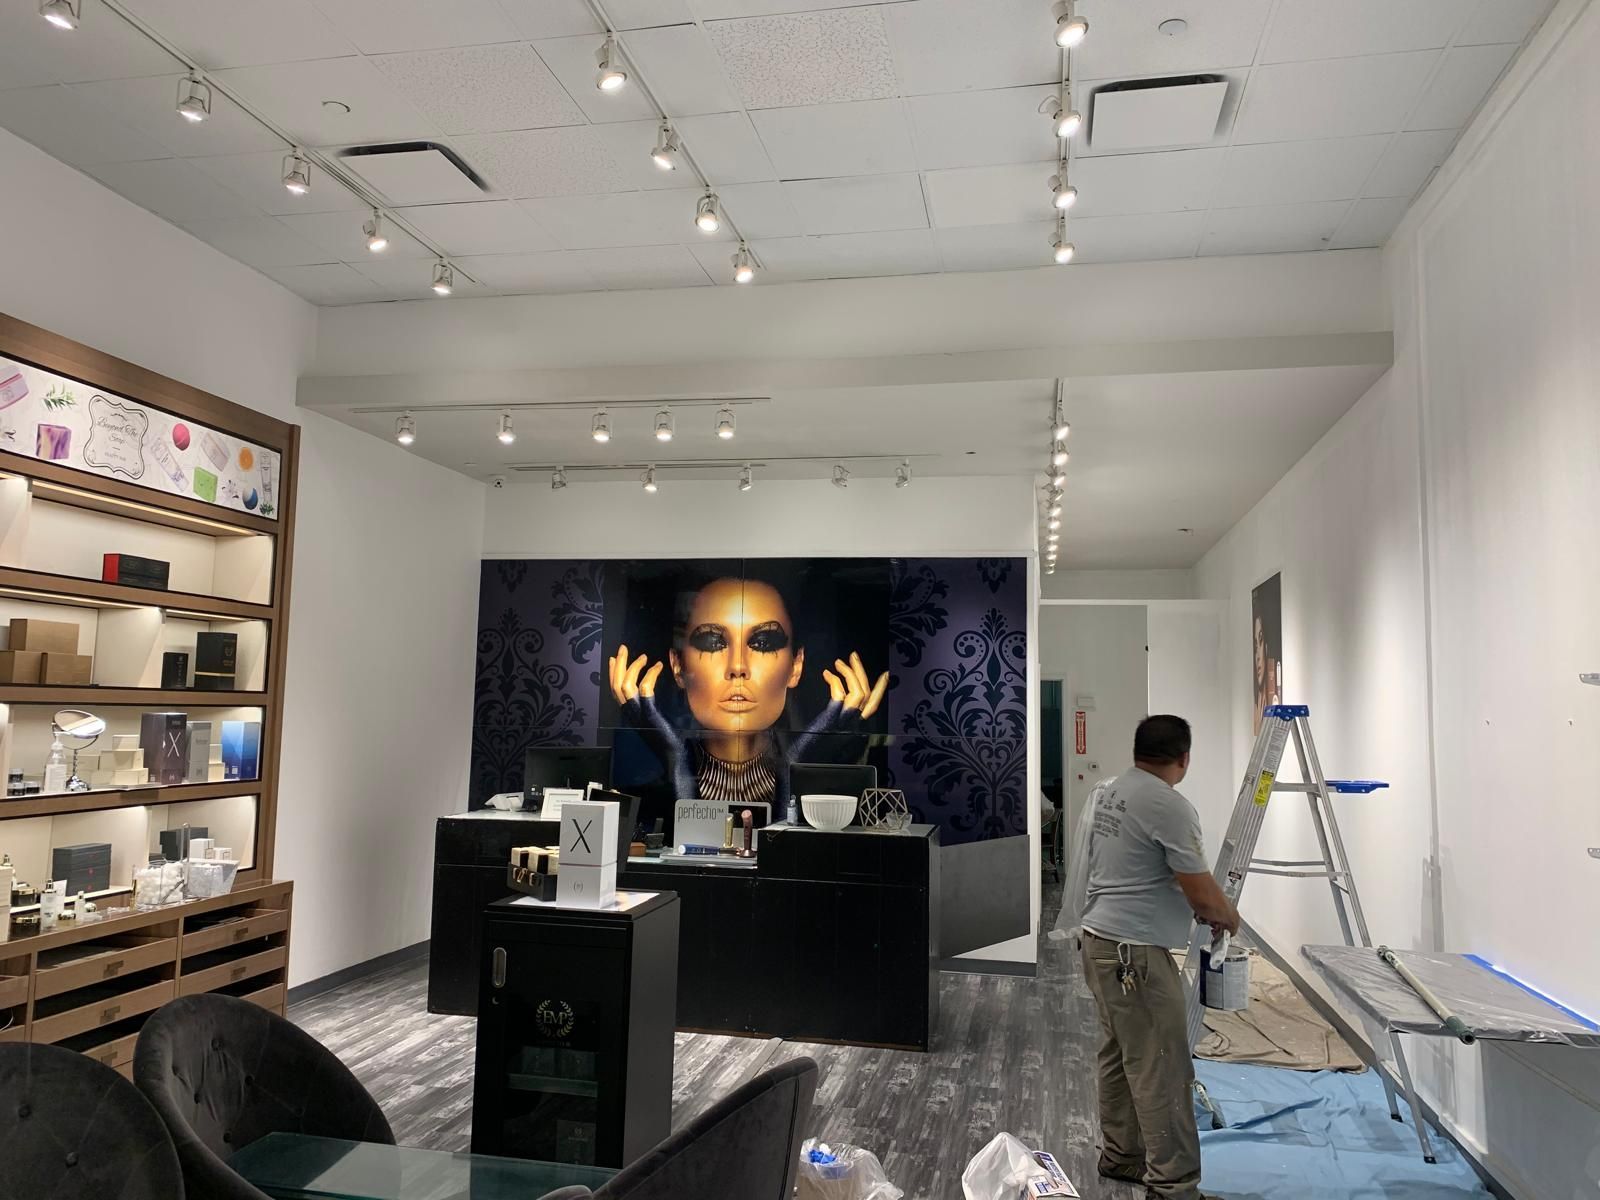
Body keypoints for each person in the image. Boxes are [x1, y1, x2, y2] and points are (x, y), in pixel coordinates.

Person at [1079, 715, 1239, 1200]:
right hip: (1134, 956)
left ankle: (1123, 1156)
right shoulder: (1169, 806)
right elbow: (1203, 894)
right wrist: (1228, 916)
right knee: (1162, 1063)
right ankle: (1172, 1186)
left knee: (1119, 1051)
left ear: (1137, 751)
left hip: (1099, 941)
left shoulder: (1111, 790)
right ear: (1183, 759)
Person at [607, 573, 887, 810]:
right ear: (678, 666)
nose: (738, 666)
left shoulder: (836, 795)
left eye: (763, 642)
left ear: (796, 667)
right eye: (713, 642)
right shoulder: (645, 800)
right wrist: (675, 759)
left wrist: (798, 764)